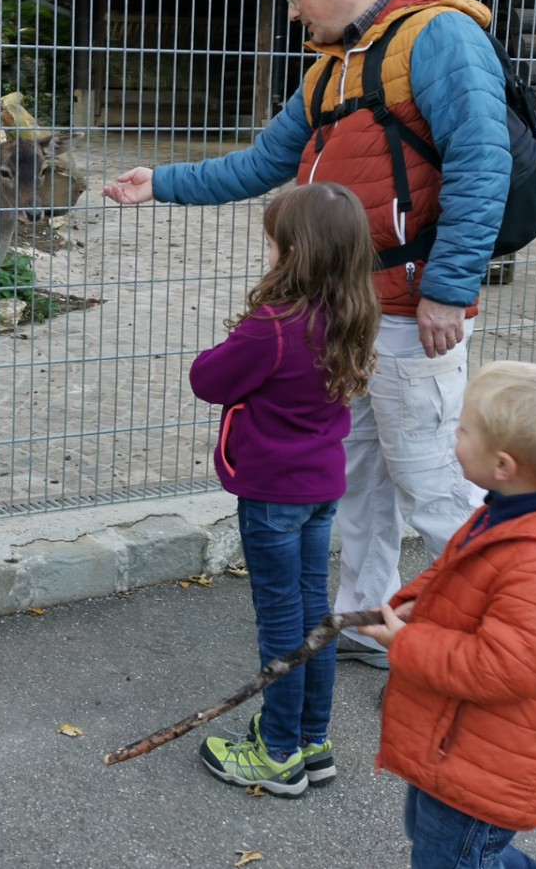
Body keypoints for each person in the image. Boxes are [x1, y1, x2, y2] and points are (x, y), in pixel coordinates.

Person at [104, 0, 513, 668]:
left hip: (411, 311)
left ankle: (484, 651)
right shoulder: (334, 62)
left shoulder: (440, 38)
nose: (290, 9)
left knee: (434, 487)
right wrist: (159, 181)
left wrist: (450, 289)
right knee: (358, 481)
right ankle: (366, 621)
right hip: (351, 316)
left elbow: (482, 162)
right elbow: (263, 163)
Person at [355, 361, 536, 868]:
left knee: (453, 858)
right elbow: (454, 572)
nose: (454, 435)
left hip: (490, 766)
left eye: (463, 429)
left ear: (504, 464)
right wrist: (412, 604)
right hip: (458, 744)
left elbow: (500, 666)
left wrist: (406, 645)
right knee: (432, 836)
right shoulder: (505, 513)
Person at [190, 183, 380, 796]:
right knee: (313, 619)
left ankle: (275, 755)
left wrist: (241, 333)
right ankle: (311, 739)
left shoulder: (273, 326)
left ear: (293, 251)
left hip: (273, 497)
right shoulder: (353, 315)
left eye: (272, 241)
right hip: (322, 490)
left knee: (280, 625)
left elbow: (208, 379)